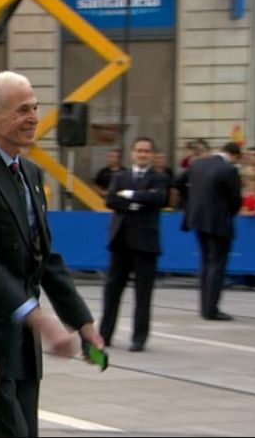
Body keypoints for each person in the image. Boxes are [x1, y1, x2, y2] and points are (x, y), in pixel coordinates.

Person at [0, 70, 104, 437]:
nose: (33, 118)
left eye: (34, 107)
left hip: (24, 350)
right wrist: (39, 319)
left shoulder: (29, 172)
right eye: (21, 110)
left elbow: (43, 255)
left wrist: (82, 321)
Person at [98, 137, 170, 353]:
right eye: (139, 150)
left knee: (143, 293)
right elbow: (111, 200)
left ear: (152, 155)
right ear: (132, 153)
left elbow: (159, 200)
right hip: (120, 241)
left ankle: (139, 338)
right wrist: (138, 203)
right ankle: (105, 334)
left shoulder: (160, 178)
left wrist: (130, 195)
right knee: (112, 291)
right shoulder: (120, 176)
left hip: (145, 242)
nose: (142, 154)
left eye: (146, 151)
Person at [178, 142, 242, 321]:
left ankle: (204, 306)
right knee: (217, 263)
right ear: (234, 155)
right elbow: (236, 199)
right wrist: (229, 211)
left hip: (197, 219)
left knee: (205, 262)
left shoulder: (198, 163)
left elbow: (179, 181)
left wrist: (190, 201)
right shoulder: (229, 170)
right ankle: (211, 309)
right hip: (219, 222)